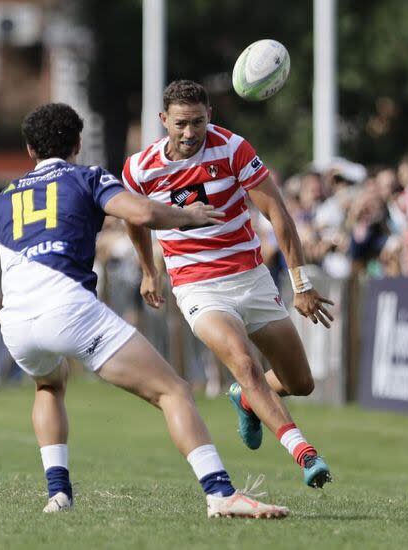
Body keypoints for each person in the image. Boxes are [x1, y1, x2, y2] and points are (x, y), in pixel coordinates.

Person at [0, 102, 287, 518]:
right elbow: (143, 212)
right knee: (174, 391)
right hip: (68, 307)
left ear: (29, 150)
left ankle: (58, 493)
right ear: (77, 143)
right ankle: (220, 494)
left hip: (20, 322)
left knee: (49, 387)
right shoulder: (87, 176)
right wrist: (190, 214)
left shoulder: (1, 200)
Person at [122, 80, 334, 489]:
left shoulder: (234, 148)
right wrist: (149, 269)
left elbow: (278, 213)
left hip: (250, 277)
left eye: (198, 123)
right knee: (244, 361)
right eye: (181, 124)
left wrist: (300, 283)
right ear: (163, 120)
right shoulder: (141, 168)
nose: (189, 133)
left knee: (299, 383)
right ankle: (305, 454)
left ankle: (245, 398)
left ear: (209, 118)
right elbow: (135, 219)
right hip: (197, 286)